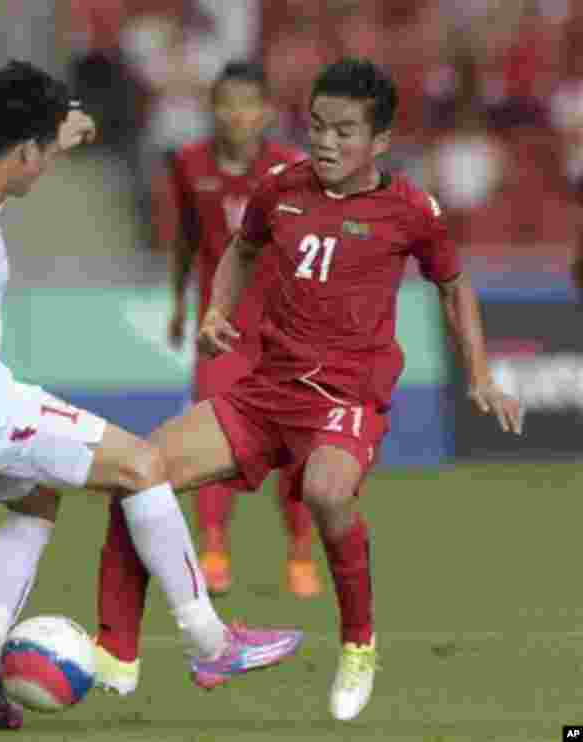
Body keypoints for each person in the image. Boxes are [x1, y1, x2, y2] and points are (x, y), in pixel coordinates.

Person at [0, 60, 303, 731]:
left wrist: (41, 131)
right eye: (45, 154)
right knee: (142, 465)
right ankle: (210, 644)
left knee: (36, 499)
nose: (49, 169)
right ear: (26, 151)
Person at [93, 57, 522, 721]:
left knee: (325, 489)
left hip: (349, 395)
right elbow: (240, 248)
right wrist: (216, 311)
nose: (325, 141)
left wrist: (482, 375)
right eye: (318, 126)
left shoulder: (410, 209)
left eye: (344, 131)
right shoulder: (280, 188)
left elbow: (453, 283)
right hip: (269, 389)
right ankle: (117, 652)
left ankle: (358, 644)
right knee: (136, 474)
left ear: (379, 141)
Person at [163, 60, 318, 598]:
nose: (237, 114)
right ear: (213, 108)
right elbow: (186, 236)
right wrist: (179, 305)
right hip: (219, 327)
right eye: (227, 103)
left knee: (297, 444)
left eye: (248, 104)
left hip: (282, 330)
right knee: (215, 440)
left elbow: (309, 246)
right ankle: (213, 549)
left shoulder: (291, 167)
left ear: (266, 112)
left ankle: (300, 553)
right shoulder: (187, 163)